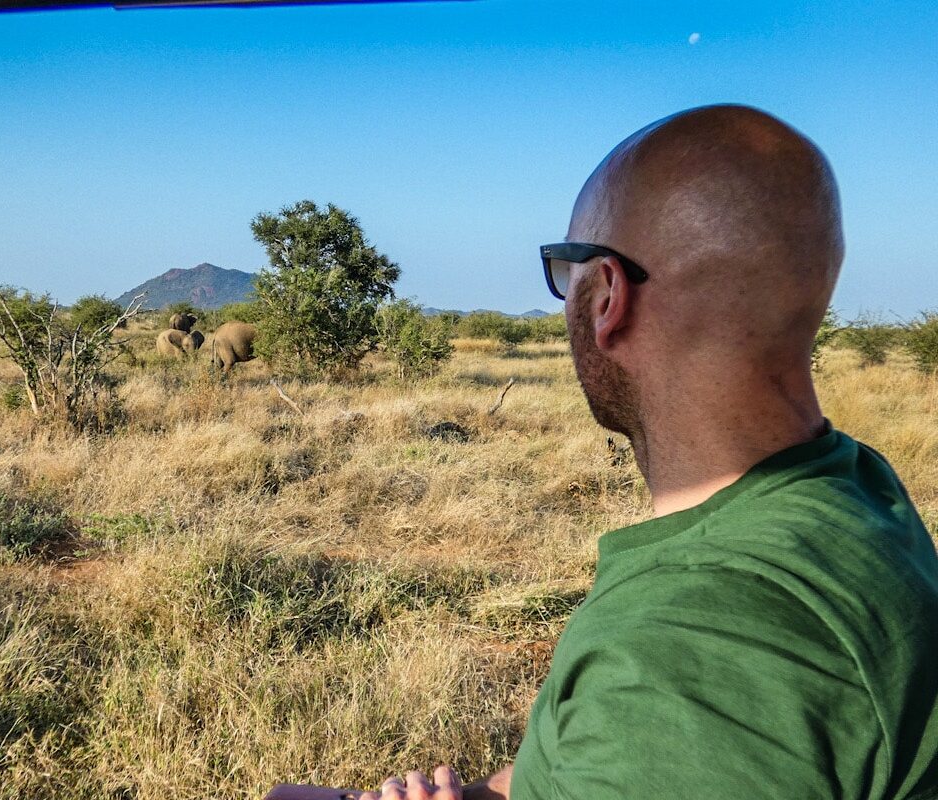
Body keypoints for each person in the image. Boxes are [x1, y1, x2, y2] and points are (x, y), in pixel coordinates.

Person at [359, 105, 938, 799]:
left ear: (607, 294)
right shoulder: (854, 483)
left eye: (564, 271)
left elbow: (672, 718)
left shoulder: (693, 634)